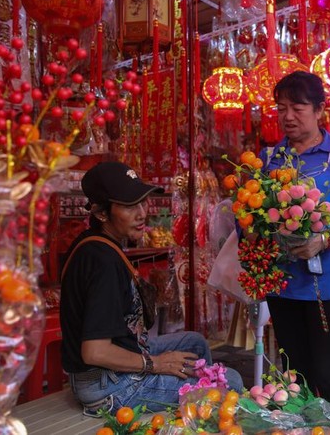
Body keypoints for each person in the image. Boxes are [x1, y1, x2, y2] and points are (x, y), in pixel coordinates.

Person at [60, 161, 243, 415]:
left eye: (143, 202)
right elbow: (95, 352)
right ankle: (206, 410)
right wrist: (155, 363)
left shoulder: (97, 243)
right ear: (102, 213)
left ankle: (198, 418)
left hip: (114, 367)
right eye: (129, 205)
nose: (142, 213)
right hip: (109, 386)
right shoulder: (102, 262)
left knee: (195, 344)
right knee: (231, 382)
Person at [260, 71, 330, 410]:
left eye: (298, 107)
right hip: (283, 284)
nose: (287, 116)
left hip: (328, 284)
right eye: (281, 107)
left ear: (319, 110)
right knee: (293, 379)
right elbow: (253, 215)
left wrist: (327, 238)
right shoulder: (268, 160)